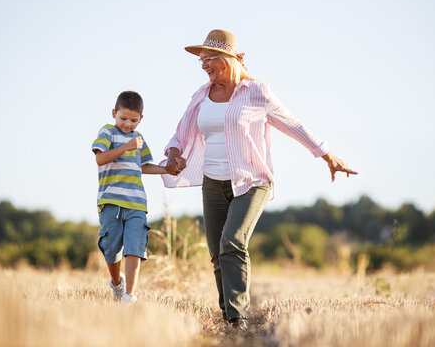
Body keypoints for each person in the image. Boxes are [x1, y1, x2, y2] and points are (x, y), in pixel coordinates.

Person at [161, 29, 358, 330]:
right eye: (201, 62)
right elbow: (180, 135)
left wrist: (327, 155)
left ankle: (238, 318)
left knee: (232, 242)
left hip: (252, 182)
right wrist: (174, 155)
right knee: (217, 254)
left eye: (207, 61)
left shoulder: (257, 92)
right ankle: (228, 317)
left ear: (225, 59)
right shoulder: (201, 96)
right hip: (213, 182)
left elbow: (293, 124)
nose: (203, 67)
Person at [92, 91, 169, 303]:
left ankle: (129, 296)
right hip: (111, 202)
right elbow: (100, 159)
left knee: (135, 246)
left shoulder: (139, 139)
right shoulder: (107, 132)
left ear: (141, 119)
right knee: (111, 248)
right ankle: (117, 283)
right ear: (114, 113)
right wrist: (126, 147)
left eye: (133, 120)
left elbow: (144, 166)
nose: (127, 124)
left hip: (136, 203)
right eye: (123, 118)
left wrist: (167, 169)